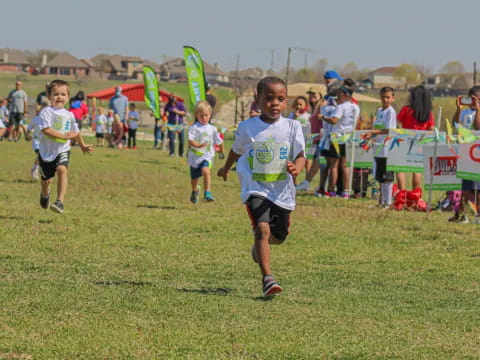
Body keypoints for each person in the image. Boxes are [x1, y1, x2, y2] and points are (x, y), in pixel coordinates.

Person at [217, 76, 305, 297]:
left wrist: (297, 168)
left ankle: (259, 249)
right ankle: (267, 278)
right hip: (255, 186)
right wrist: (226, 168)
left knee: (279, 236)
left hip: (282, 191)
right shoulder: (248, 128)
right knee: (262, 229)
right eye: (269, 98)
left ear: (286, 102)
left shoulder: (293, 126)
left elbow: (301, 154)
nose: (275, 103)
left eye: (281, 99)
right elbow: (236, 150)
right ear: (258, 99)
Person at [37, 80, 93, 214]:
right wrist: (63, 136)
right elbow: (46, 130)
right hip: (46, 153)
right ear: (49, 96)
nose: (59, 97)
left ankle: (60, 202)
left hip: (62, 149)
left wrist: (82, 145)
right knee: (46, 181)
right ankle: (45, 194)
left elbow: (75, 132)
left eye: (63, 94)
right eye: (56, 94)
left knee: (62, 169)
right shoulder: (46, 112)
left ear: (68, 98)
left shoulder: (70, 115)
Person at [321, 79, 359, 199]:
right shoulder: (356, 107)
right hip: (349, 138)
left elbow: (334, 120)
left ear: (345, 94)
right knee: (346, 166)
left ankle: (332, 191)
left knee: (334, 166)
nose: (337, 96)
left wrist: (323, 117)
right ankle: (346, 191)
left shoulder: (341, 107)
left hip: (337, 138)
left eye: (339, 94)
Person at [449, 86, 480, 223]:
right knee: (466, 187)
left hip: (478, 154)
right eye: (471, 97)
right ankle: (463, 215)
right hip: (466, 153)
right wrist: (458, 109)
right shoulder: (465, 112)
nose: (473, 101)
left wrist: (478, 109)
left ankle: (478, 216)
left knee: (478, 188)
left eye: (477, 98)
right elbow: (455, 124)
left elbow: (478, 127)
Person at [396, 85, 435, 190]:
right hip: (420, 143)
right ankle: (416, 195)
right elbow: (431, 129)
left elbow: (398, 125)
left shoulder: (406, 110)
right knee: (417, 170)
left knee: (399, 168)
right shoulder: (428, 113)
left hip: (405, 141)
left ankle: (402, 193)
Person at [188, 101, 224, 203]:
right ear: (196, 115)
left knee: (206, 171)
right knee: (194, 181)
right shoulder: (194, 128)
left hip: (207, 156)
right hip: (195, 158)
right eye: (201, 115)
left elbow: (219, 141)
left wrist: (220, 151)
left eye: (206, 115)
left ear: (210, 115)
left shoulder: (212, 129)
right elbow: (190, 141)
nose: (204, 118)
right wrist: (198, 145)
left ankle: (207, 193)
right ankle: (195, 191)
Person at [368, 87, 397, 207]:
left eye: (388, 97)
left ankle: (388, 202)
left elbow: (389, 130)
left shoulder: (391, 112)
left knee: (387, 176)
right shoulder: (379, 111)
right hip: (377, 147)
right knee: (380, 176)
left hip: (386, 147)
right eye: (383, 97)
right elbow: (376, 127)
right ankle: (381, 201)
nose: (385, 99)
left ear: (392, 98)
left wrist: (374, 132)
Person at [296, 86, 327, 192]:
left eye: (314, 94)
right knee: (315, 161)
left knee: (318, 162)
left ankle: (312, 183)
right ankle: (308, 183)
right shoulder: (315, 107)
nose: (311, 96)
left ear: (320, 95)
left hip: (322, 138)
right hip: (315, 138)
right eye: (310, 94)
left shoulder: (322, 105)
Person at [288, 96, 311, 182]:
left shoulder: (308, 116)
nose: (298, 106)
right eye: (297, 104)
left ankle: (307, 182)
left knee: (308, 162)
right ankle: (294, 182)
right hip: (294, 142)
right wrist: (294, 117)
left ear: (305, 105)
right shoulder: (291, 115)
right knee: (294, 162)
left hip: (306, 142)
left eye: (300, 104)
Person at [27, 98, 50, 180]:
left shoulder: (50, 119)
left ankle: (36, 168)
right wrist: (28, 135)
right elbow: (29, 128)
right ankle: (35, 169)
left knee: (45, 158)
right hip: (37, 142)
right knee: (40, 155)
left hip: (47, 142)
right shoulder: (36, 119)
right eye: (45, 107)